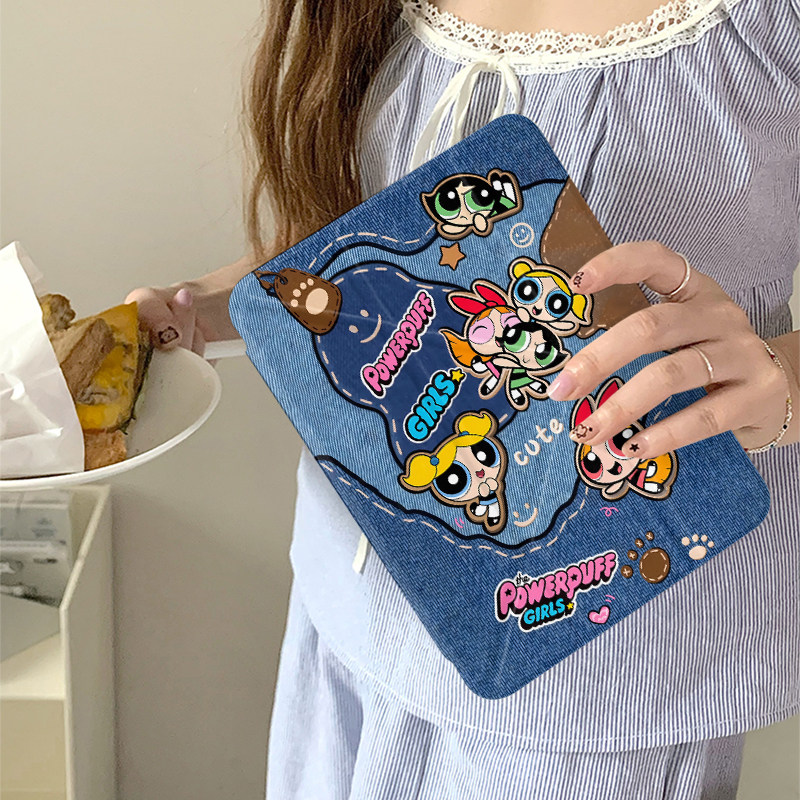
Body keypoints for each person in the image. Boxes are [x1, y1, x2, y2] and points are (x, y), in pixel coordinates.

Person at [126, 0, 800, 796]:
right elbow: (369, 226)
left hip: (599, 675)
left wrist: (782, 385)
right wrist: (208, 308)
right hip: (348, 619)